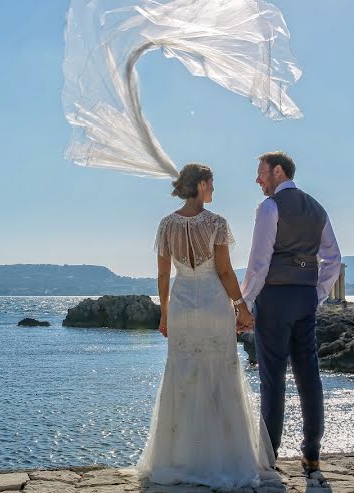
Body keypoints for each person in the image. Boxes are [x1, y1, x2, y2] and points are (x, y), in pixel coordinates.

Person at [137, 163, 276, 489]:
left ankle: (180, 459)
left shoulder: (166, 225)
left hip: (183, 304)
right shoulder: (216, 223)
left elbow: (162, 275)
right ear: (200, 185)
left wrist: (164, 314)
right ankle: (223, 460)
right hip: (214, 304)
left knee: (182, 378)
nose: (213, 189)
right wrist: (242, 308)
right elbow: (226, 273)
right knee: (220, 379)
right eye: (211, 183)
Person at [236, 151, 341, 484]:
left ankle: (269, 457)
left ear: (277, 172)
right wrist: (317, 294)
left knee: (273, 379)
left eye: (261, 173)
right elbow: (333, 260)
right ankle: (312, 456)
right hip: (305, 300)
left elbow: (259, 263)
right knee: (309, 377)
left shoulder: (270, 208)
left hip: (275, 299)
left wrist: (245, 303)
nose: (258, 179)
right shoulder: (317, 208)